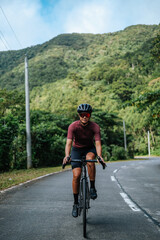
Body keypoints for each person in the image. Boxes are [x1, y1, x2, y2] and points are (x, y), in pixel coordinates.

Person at [63, 103, 105, 218]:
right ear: (79, 115)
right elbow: (69, 143)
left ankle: (92, 187)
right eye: (82, 115)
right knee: (76, 175)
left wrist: (100, 156)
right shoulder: (73, 126)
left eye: (86, 114)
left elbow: (97, 143)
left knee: (90, 159)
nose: (84, 117)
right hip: (76, 150)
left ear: (89, 115)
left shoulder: (95, 127)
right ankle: (76, 204)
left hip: (89, 149)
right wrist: (67, 155)